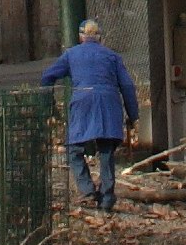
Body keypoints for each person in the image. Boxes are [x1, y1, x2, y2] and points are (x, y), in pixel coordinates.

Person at [39, 18, 138, 213]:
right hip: (109, 103)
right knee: (107, 151)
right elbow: (127, 85)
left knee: (74, 149)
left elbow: (47, 76)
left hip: (83, 101)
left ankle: (87, 190)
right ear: (100, 38)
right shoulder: (112, 56)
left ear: (80, 37)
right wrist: (132, 114)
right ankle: (107, 198)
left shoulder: (71, 55)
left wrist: (48, 106)